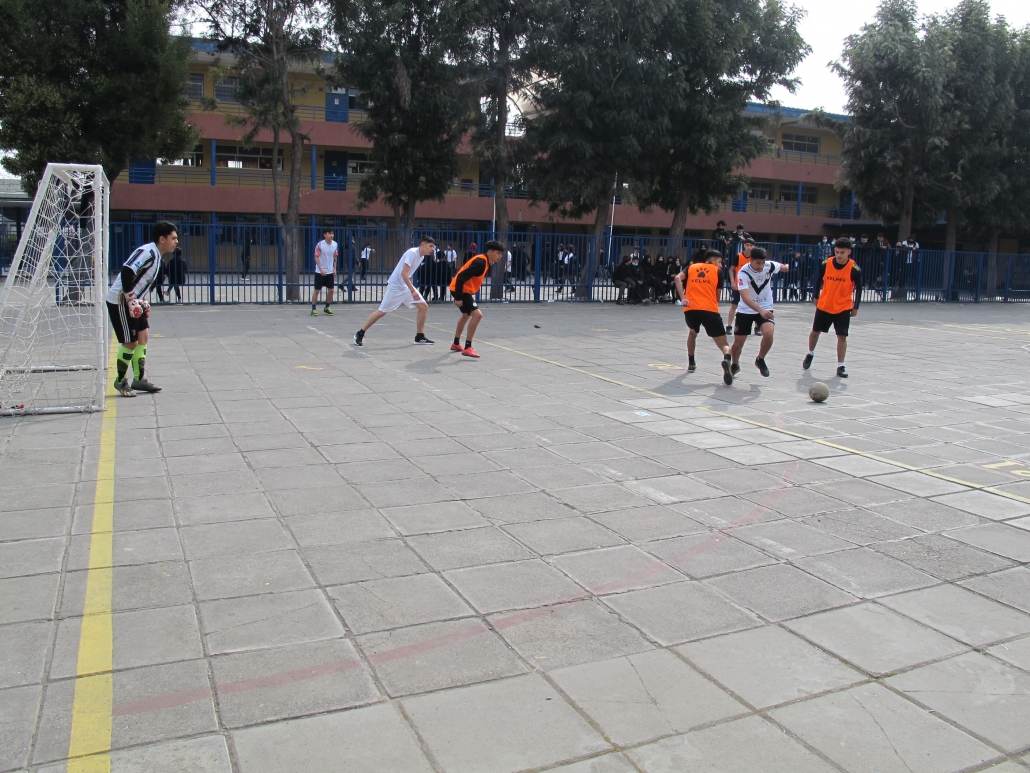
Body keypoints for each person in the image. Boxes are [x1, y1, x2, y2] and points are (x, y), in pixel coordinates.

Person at [106, 221, 178, 396]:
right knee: (130, 342)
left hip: (134, 301)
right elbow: (127, 271)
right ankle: (120, 381)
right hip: (120, 301)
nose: (176, 242)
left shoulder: (157, 255)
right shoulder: (148, 252)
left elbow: (140, 280)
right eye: (174, 238)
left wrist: (142, 300)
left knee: (143, 336)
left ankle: (139, 379)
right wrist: (131, 299)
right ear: (162, 239)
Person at [354, 236, 436, 346]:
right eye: (431, 246)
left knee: (423, 307)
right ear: (423, 245)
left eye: (433, 247)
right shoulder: (412, 253)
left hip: (405, 287)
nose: (432, 249)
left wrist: (410, 289)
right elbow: (404, 273)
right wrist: (413, 290)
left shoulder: (421, 257)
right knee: (382, 311)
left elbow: (406, 275)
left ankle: (419, 337)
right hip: (395, 287)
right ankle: (360, 333)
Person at [804, 237, 862, 379]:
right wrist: (815, 296)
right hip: (825, 304)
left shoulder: (854, 269)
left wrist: (855, 306)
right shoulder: (826, 264)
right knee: (815, 332)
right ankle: (810, 353)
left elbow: (859, 288)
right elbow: (818, 279)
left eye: (842, 252)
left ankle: (840, 365)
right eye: (836, 252)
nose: (839, 255)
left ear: (849, 252)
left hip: (843, 307)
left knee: (842, 336)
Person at [675, 248, 734, 385]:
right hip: (709, 309)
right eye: (720, 262)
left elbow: (677, 278)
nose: (721, 265)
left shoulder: (691, 267)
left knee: (692, 333)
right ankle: (727, 359)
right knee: (724, 344)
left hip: (691, 309)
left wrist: (683, 298)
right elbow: (717, 295)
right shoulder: (718, 271)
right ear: (712, 260)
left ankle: (691, 362)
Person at [730, 246, 789, 378]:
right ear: (751, 260)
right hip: (746, 310)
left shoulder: (769, 266)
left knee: (768, 333)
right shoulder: (743, 273)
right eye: (758, 263)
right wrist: (760, 310)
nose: (761, 266)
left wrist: (786, 267)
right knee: (738, 344)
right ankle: (734, 364)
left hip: (765, 306)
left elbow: (781, 267)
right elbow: (745, 297)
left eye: (763, 263)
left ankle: (760, 359)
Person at [448, 240, 505, 358]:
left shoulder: (484, 261)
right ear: (490, 252)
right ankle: (468, 347)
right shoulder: (481, 262)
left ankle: (456, 343)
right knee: (477, 315)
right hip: (461, 290)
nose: (500, 256)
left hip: (460, 289)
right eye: (498, 253)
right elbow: (461, 277)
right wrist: (458, 297)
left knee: (466, 315)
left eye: (501, 253)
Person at [725, 237, 756, 335]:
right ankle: (729, 326)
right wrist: (732, 282)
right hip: (739, 285)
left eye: (751, 245)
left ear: (754, 246)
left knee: (755, 305)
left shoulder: (755, 257)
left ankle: (757, 327)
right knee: (734, 305)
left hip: (751, 286)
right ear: (744, 245)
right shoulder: (738, 256)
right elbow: (731, 270)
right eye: (747, 245)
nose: (749, 247)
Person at [311, 228, 338, 316]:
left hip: (330, 271)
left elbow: (335, 257)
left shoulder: (335, 244)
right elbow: (316, 257)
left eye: (332, 233)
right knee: (317, 290)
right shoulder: (320, 245)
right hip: (320, 271)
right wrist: (321, 269)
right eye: (329, 233)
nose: (331, 235)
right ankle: (313, 309)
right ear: (325, 235)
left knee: (331, 290)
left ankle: (327, 307)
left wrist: (334, 269)